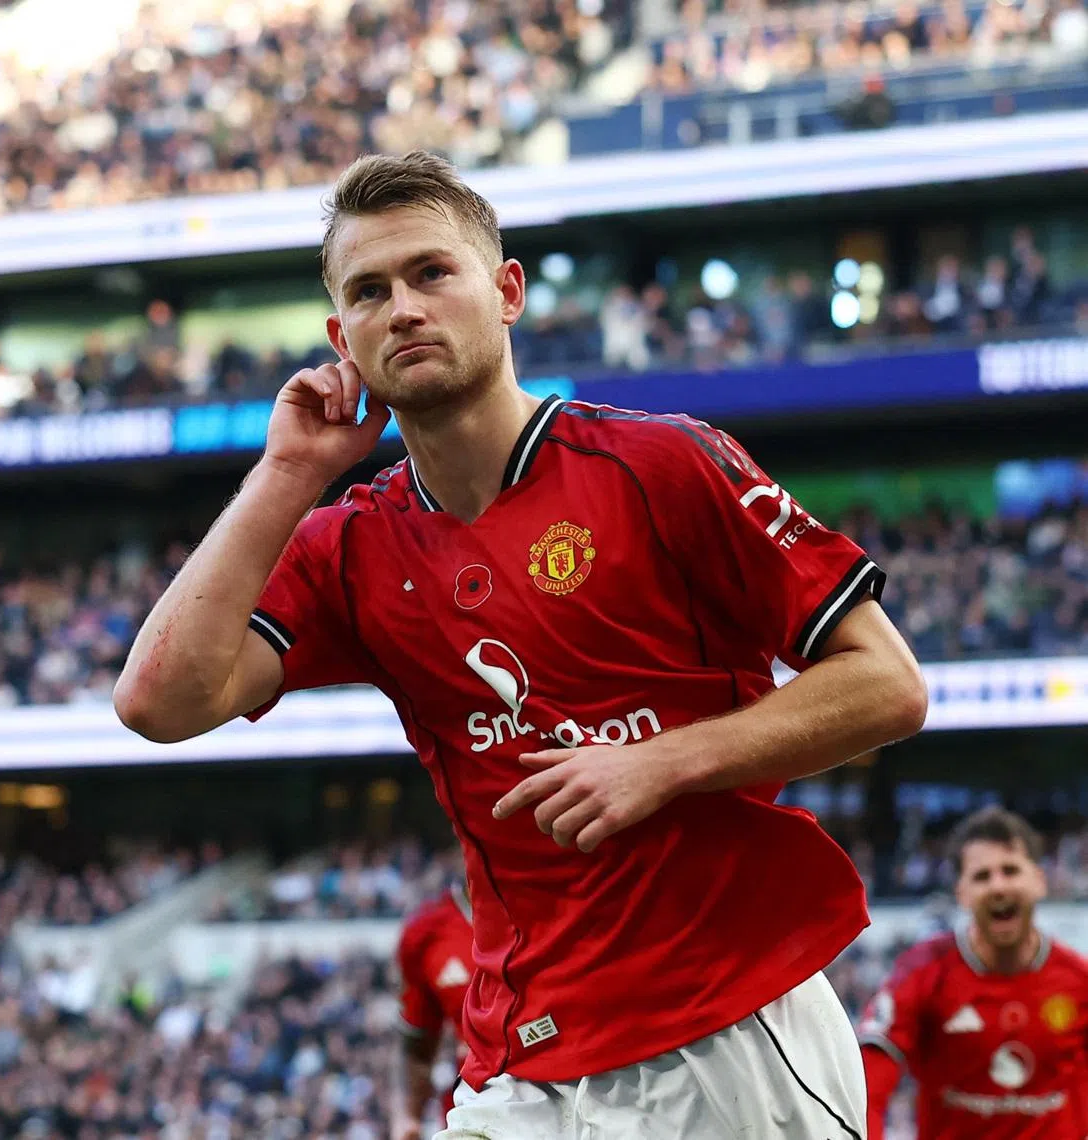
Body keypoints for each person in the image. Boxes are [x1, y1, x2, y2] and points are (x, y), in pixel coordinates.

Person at [114, 150, 928, 1138]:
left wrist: (661, 762)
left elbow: (888, 684)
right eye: (369, 292)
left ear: (506, 293)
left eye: (431, 273)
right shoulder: (350, 546)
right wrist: (288, 473)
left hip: (728, 1027)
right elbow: (158, 702)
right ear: (341, 338)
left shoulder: (661, 463)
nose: (403, 309)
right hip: (523, 1054)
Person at [859, 806, 1088, 1138]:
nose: (998, 886)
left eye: (1010, 870)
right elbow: (868, 1082)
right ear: (961, 893)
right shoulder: (922, 972)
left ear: (1039, 881)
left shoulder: (1078, 980)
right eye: (982, 876)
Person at [392, 877, 475, 1140]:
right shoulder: (426, 932)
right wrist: (407, 1116)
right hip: (474, 1108)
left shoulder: (559, 904)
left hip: (564, 1097)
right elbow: (417, 1046)